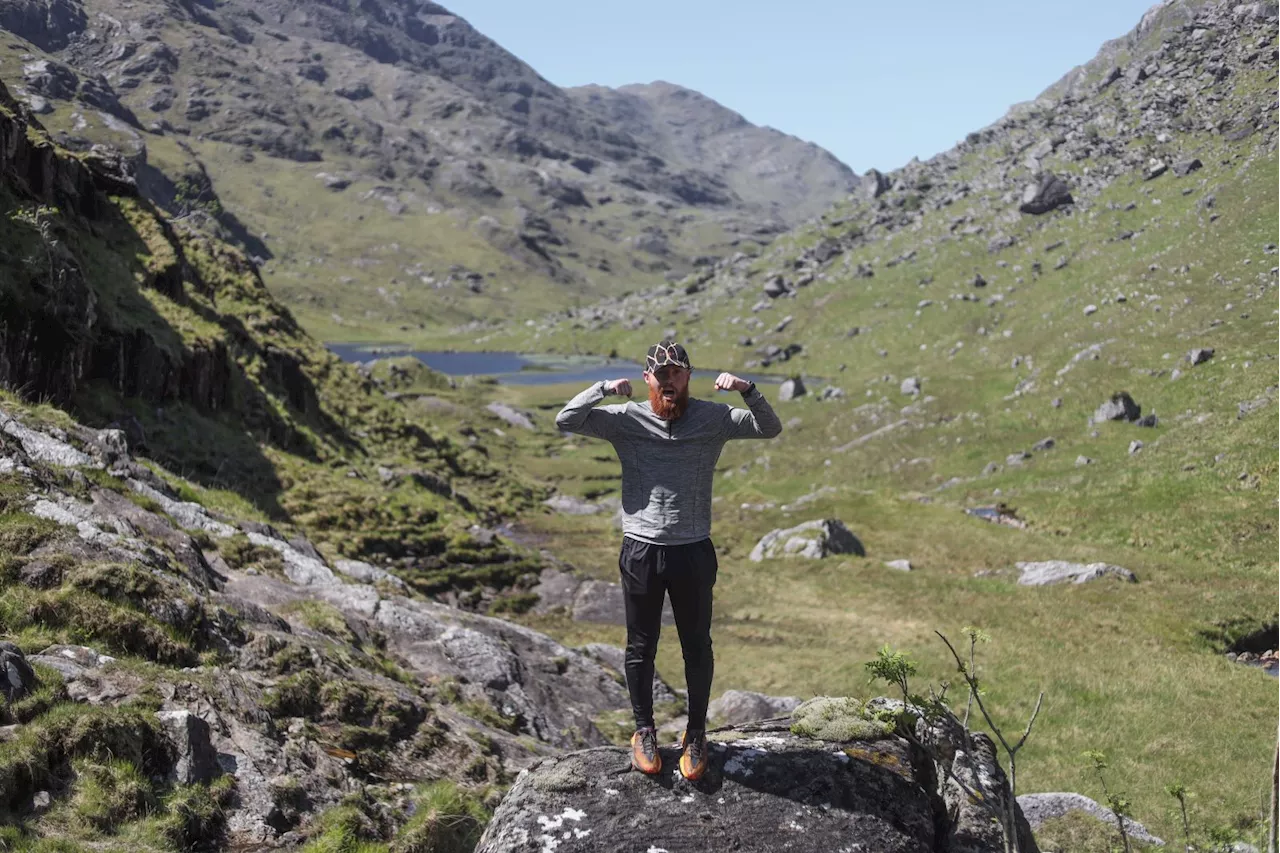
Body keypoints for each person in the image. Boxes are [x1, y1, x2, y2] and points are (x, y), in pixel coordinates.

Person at [555, 340, 783, 781]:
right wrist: (602, 388)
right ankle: (644, 731)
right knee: (641, 646)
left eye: (675, 374)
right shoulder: (626, 419)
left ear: (687, 376)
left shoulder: (714, 419)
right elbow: (567, 420)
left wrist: (746, 388)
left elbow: (768, 428)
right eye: (659, 376)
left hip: (693, 549)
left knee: (697, 644)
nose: (668, 382)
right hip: (640, 548)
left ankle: (696, 736)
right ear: (647, 380)